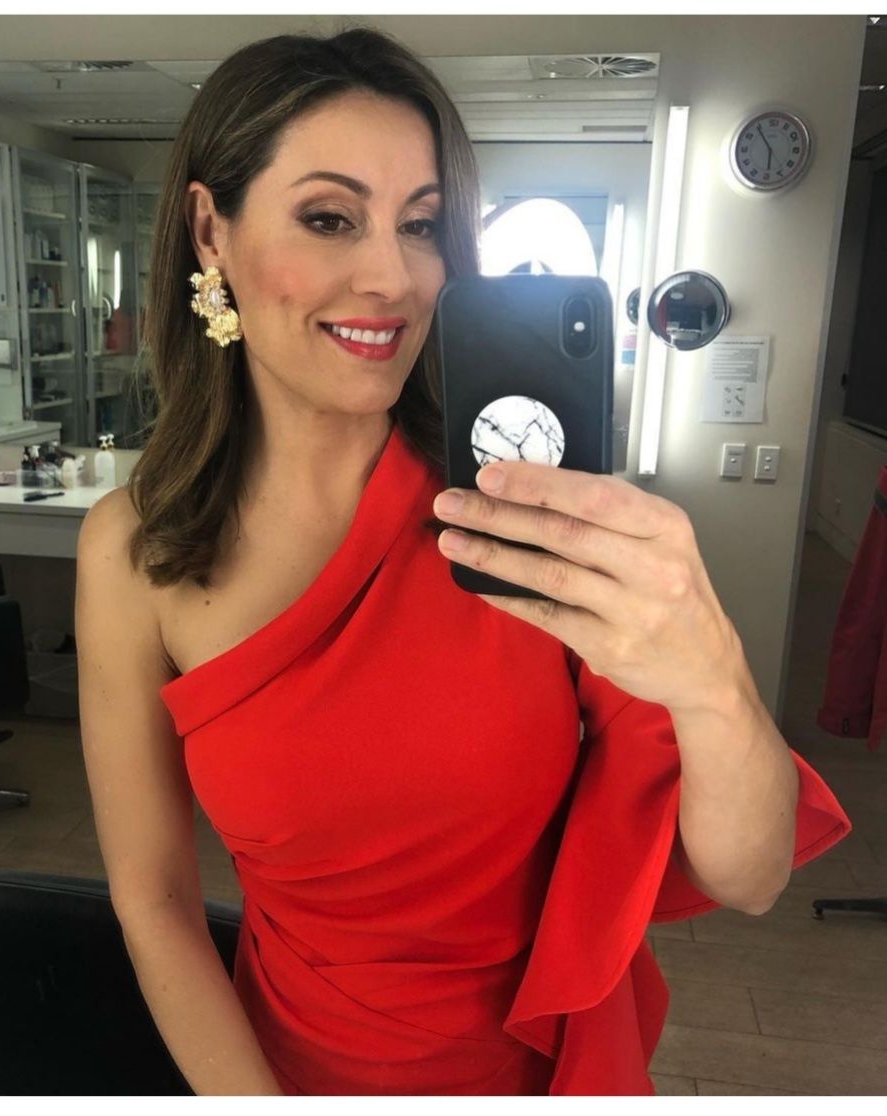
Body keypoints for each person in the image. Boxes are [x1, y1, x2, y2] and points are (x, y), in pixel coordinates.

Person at [75, 27, 852, 1096]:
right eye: (329, 218)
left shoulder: (528, 515)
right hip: (284, 1072)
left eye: (423, 225)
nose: (391, 276)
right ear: (211, 231)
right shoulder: (134, 552)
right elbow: (153, 899)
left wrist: (711, 677)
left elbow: (751, 876)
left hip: (539, 1077)